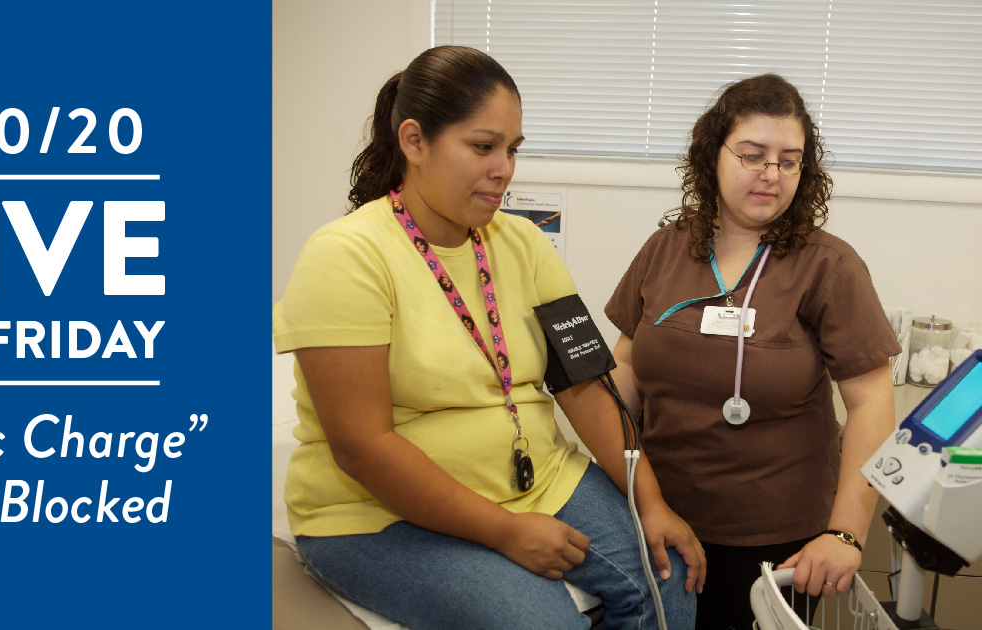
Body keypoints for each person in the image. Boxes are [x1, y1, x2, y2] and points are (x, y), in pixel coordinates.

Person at [274, 46, 702, 629]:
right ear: (414, 142)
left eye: (513, 149)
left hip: (536, 481)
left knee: (669, 579)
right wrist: (506, 532)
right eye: (483, 147)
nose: (504, 167)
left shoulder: (522, 245)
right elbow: (361, 445)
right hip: (376, 514)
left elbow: (585, 388)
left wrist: (650, 502)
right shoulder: (347, 256)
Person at [604, 73, 900, 630]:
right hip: (660, 518)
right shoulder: (666, 248)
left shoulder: (829, 267)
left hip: (776, 545)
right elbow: (626, 368)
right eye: (753, 154)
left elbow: (871, 403)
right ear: (711, 153)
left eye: (790, 160)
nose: (772, 174)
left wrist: (845, 533)